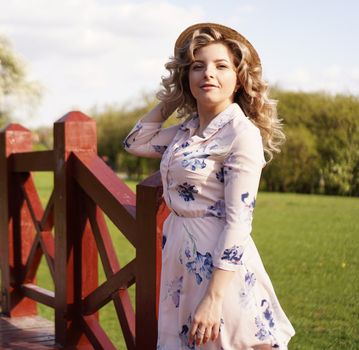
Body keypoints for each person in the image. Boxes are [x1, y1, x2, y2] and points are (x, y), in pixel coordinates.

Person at [123, 23, 295, 349]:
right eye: (197, 67)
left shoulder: (241, 135)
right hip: (180, 264)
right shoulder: (185, 132)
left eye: (221, 66)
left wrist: (214, 298)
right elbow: (135, 141)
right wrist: (174, 96)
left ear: (239, 78)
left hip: (219, 272)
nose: (208, 74)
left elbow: (239, 221)